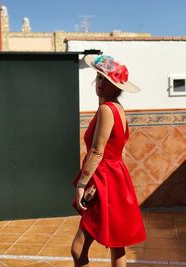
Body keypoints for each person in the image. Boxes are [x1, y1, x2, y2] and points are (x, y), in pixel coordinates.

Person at [71, 54, 146, 267]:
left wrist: (82, 184)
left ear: (116, 86)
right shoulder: (118, 109)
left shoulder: (106, 109)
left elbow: (96, 151)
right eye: (98, 77)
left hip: (103, 179)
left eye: (105, 79)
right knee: (118, 245)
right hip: (116, 178)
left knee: (78, 249)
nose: (100, 83)